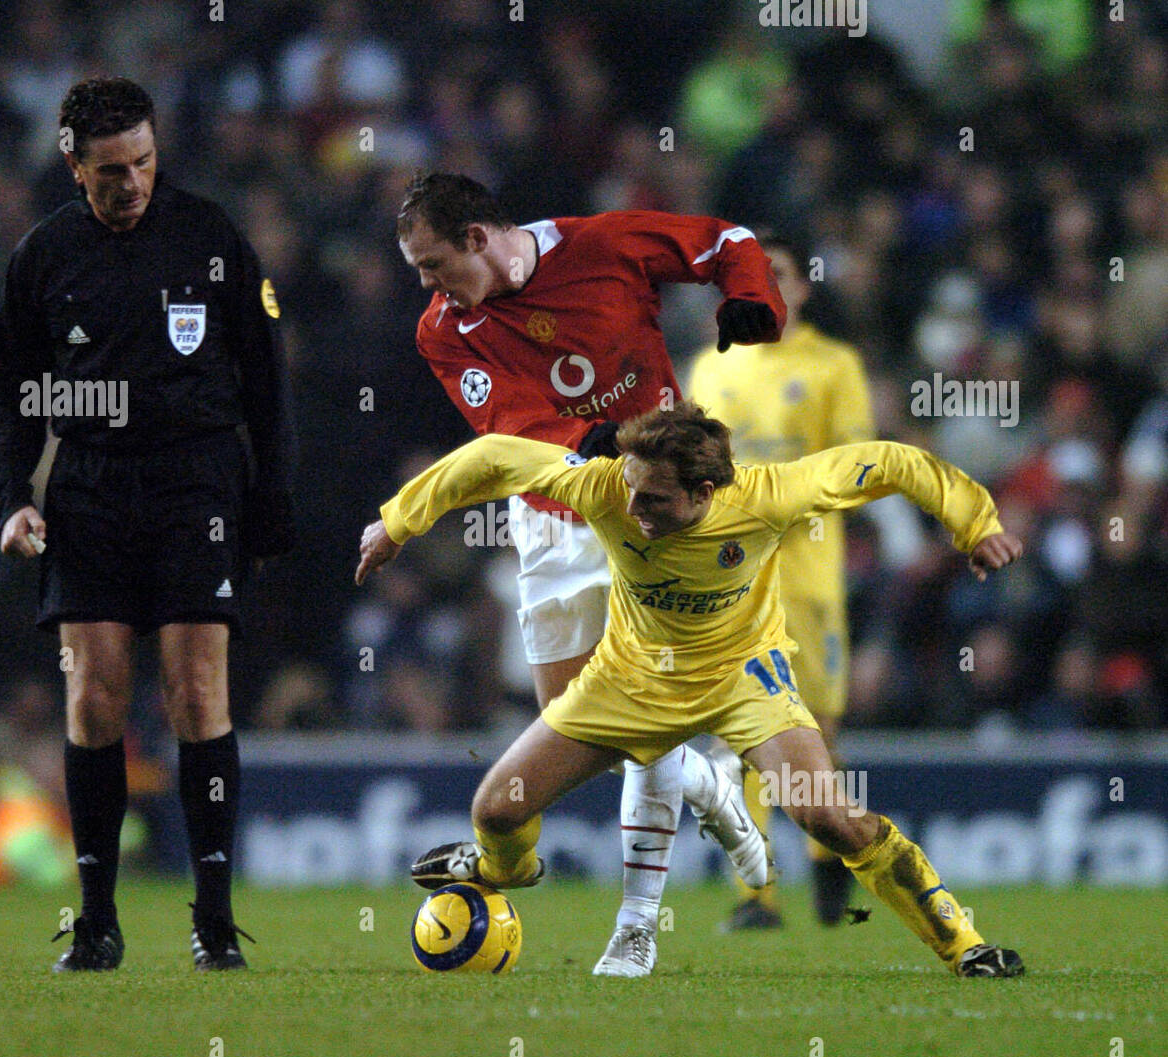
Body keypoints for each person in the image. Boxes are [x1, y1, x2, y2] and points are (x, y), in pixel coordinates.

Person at [356, 402, 1026, 978]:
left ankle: (965, 945)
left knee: (830, 817)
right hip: (628, 681)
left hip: (744, 680)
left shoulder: (768, 495)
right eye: (632, 490)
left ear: (705, 493)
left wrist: (976, 521)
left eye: (655, 500)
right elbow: (496, 457)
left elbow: (890, 462)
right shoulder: (603, 486)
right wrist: (399, 521)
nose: (634, 509)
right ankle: (504, 870)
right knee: (496, 811)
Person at [395, 172, 785, 977]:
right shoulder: (444, 330)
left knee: (639, 709)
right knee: (579, 722)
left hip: (655, 511)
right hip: (552, 520)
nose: (429, 287)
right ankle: (707, 781)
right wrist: (589, 436)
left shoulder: (599, 245)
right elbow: (509, 426)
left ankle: (635, 927)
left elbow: (728, 240)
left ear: (478, 238)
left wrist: (751, 297)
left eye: (435, 265)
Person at [0, 77, 299, 971]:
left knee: (199, 693)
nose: (134, 183)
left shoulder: (209, 237)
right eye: (113, 170)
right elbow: (8, 390)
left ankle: (212, 917)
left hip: (196, 481)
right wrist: (11, 498)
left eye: (146, 162)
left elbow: (267, 379)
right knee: (94, 698)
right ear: (74, 164)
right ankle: (97, 920)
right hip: (88, 485)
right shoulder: (43, 256)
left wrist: (269, 505)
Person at [687, 231, 873, 930]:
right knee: (741, 732)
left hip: (810, 578)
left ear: (803, 287)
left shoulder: (833, 365)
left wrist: (781, 495)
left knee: (815, 733)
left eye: (781, 275)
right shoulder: (710, 369)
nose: (765, 286)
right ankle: (755, 893)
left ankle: (830, 859)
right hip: (734, 579)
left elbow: (859, 468)